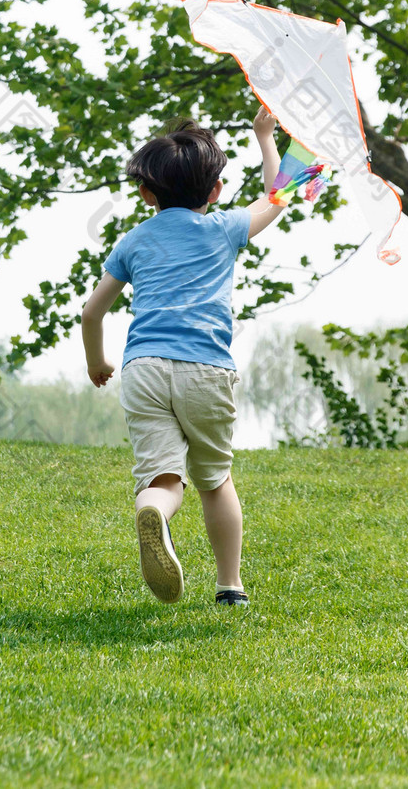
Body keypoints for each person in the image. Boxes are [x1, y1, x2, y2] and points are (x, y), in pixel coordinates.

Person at [81, 105, 286, 607]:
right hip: (205, 368)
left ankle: (153, 511)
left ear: (146, 192)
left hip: (144, 369)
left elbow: (92, 312)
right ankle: (230, 587)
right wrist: (265, 138)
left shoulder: (133, 240)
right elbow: (278, 196)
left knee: (162, 477)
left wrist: (97, 363)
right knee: (215, 479)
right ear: (214, 191)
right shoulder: (223, 228)